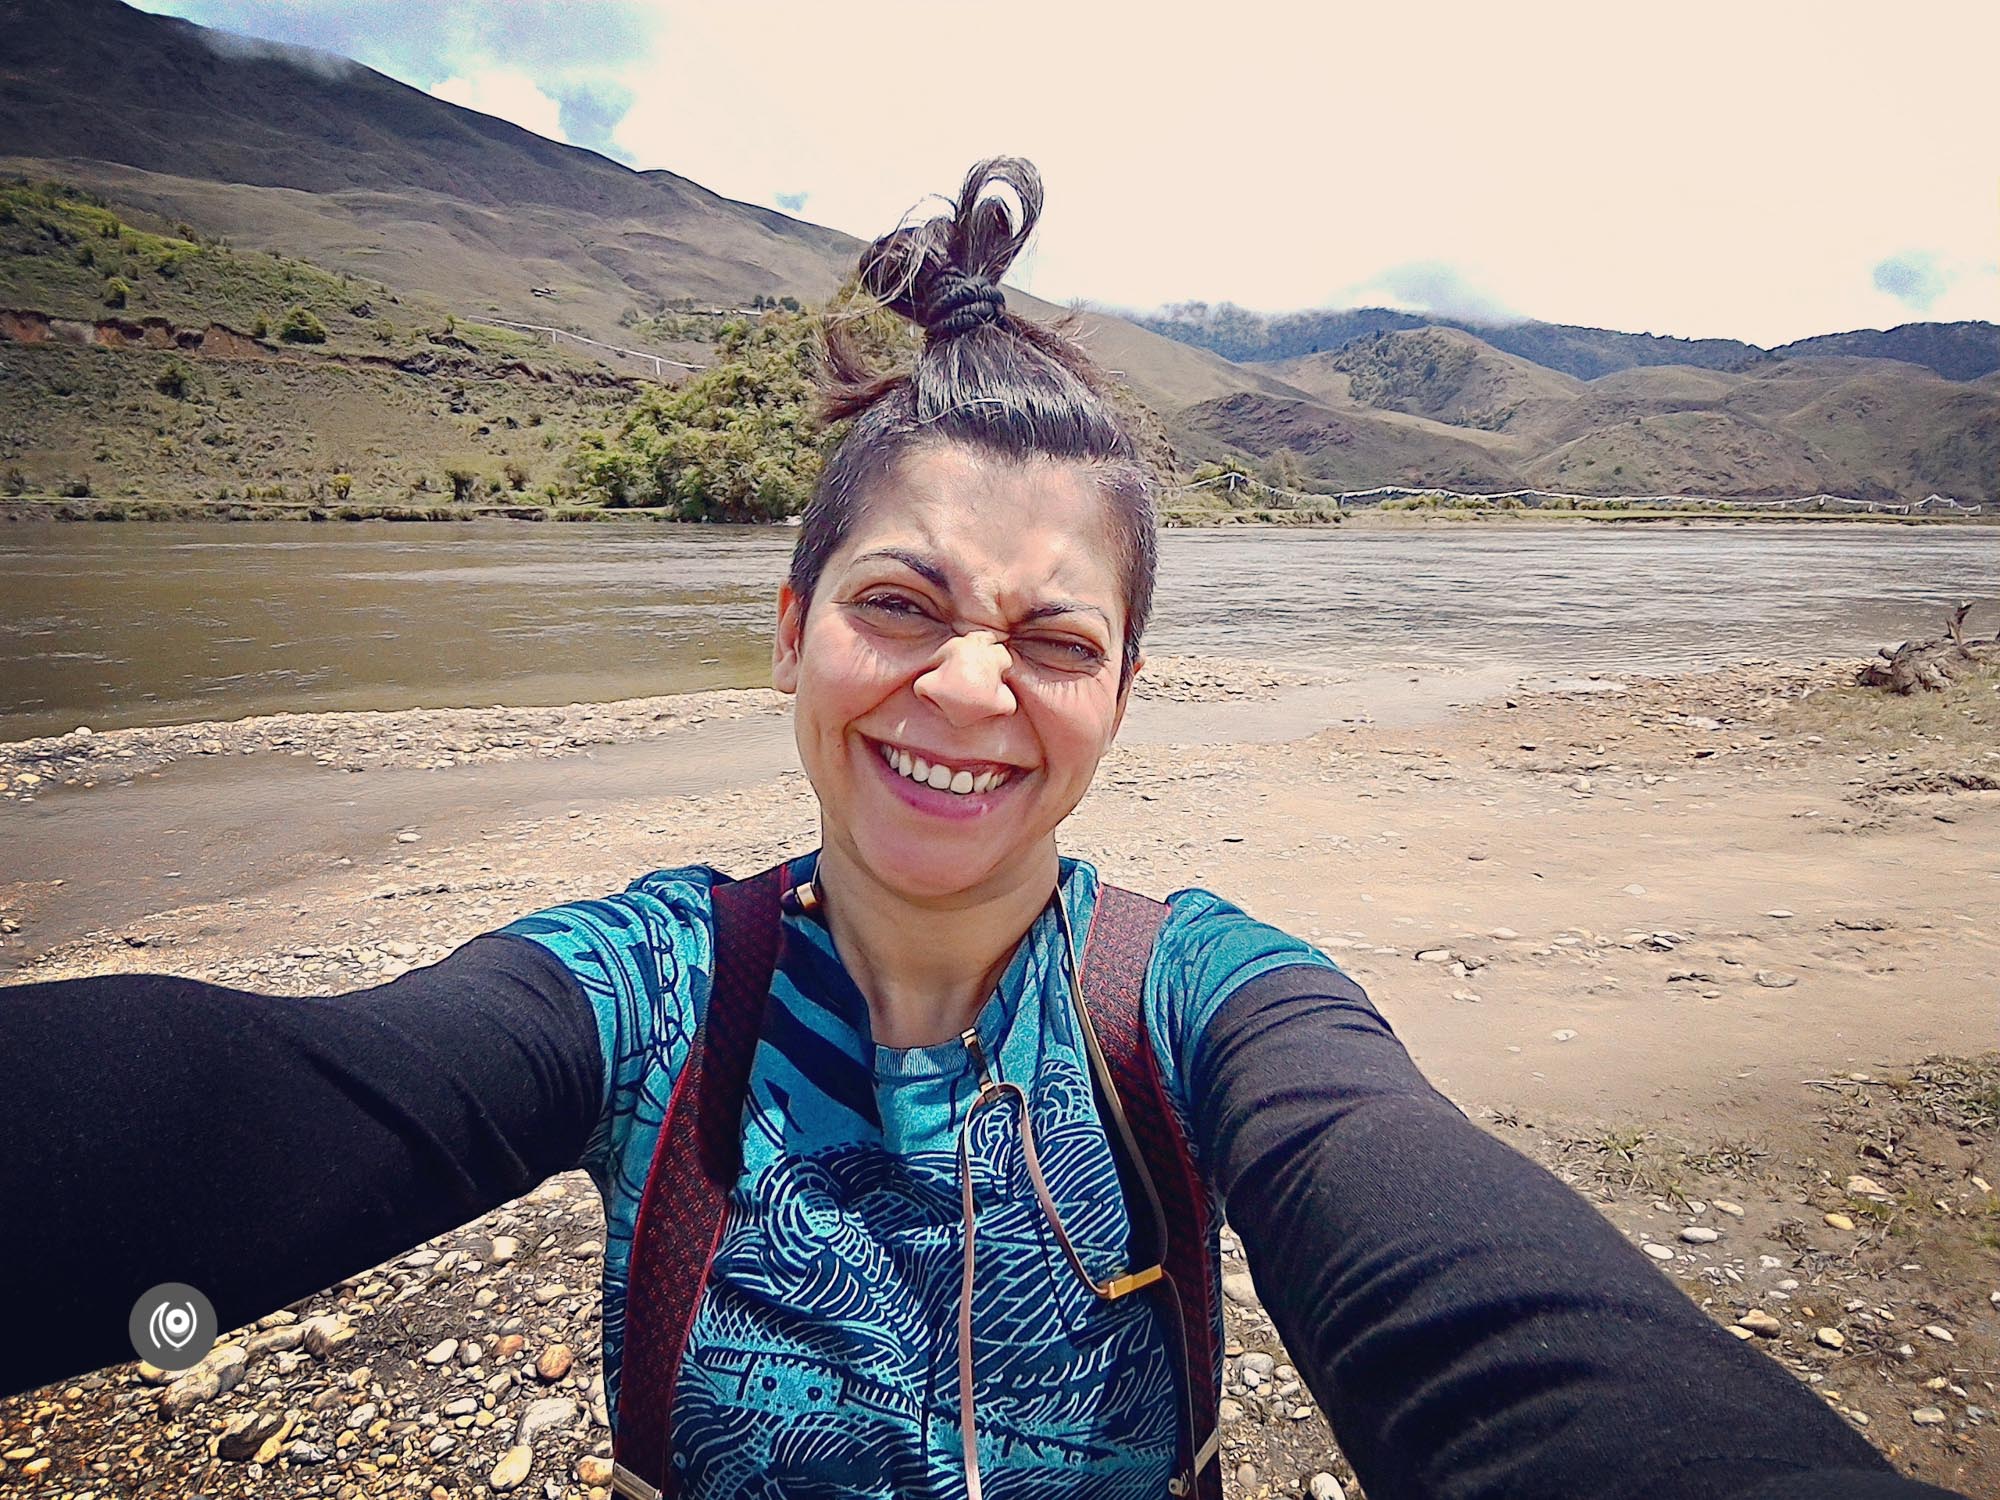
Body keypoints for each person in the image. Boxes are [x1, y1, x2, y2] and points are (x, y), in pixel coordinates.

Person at [0, 159, 1968, 1500]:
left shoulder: (1201, 1005)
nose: (966, 689)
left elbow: (1478, 1289)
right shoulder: (647, 990)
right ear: (788, 632)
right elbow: (280, 1102)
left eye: (1051, 638)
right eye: (901, 606)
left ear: (1122, 688)